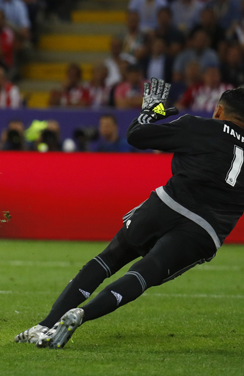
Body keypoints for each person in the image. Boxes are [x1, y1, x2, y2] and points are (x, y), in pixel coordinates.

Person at [15, 79, 244, 349]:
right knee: (144, 274)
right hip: (204, 229)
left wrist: (149, 113)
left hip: (167, 204)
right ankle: (81, 315)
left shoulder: (200, 126)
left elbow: (136, 136)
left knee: (108, 259)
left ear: (218, 111)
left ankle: (44, 325)